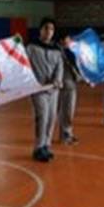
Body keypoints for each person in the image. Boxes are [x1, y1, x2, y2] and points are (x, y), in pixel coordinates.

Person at [27, 18, 63, 162]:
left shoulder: (56, 50)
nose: (49, 32)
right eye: (46, 28)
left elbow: (59, 67)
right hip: (38, 88)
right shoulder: (32, 47)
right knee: (42, 116)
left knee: (51, 117)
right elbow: (24, 64)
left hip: (53, 89)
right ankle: (39, 147)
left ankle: (47, 145)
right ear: (40, 30)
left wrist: (57, 80)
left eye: (52, 29)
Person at [57, 33, 83, 144]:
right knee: (65, 110)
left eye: (69, 39)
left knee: (69, 110)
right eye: (67, 39)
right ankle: (64, 134)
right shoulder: (59, 52)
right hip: (63, 83)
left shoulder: (70, 52)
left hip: (71, 84)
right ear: (61, 41)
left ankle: (67, 132)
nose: (69, 41)